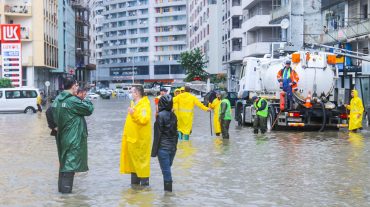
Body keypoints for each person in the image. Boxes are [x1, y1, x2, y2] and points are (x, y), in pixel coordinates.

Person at [52, 77, 94, 194]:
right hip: (73, 137)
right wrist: (84, 99)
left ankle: (62, 196)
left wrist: (54, 126)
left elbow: (49, 113)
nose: (77, 87)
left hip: (62, 137)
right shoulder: (72, 100)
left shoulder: (57, 100)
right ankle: (66, 198)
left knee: (64, 164)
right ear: (73, 86)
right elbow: (89, 109)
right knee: (70, 165)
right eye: (76, 85)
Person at [120, 85, 152, 186]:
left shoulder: (144, 105)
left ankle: (144, 190)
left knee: (141, 164)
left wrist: (133, 114)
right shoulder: (134, 103)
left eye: (132, 92)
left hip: (140, 141)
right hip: (132, 140)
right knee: (134, 165)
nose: (130, 94)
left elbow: (144, 119)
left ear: (137, 93)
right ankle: (135, 191)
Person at [151, 95, 178, 192]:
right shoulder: (174, 115)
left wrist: (153, 152)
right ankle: (168, 197)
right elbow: (176, 134)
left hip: (163, 149)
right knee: (167, 170)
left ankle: (168, 197)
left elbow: (157, 136)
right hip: (172, 148)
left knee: (166, 173)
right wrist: (175, 147)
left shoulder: (160, 116)